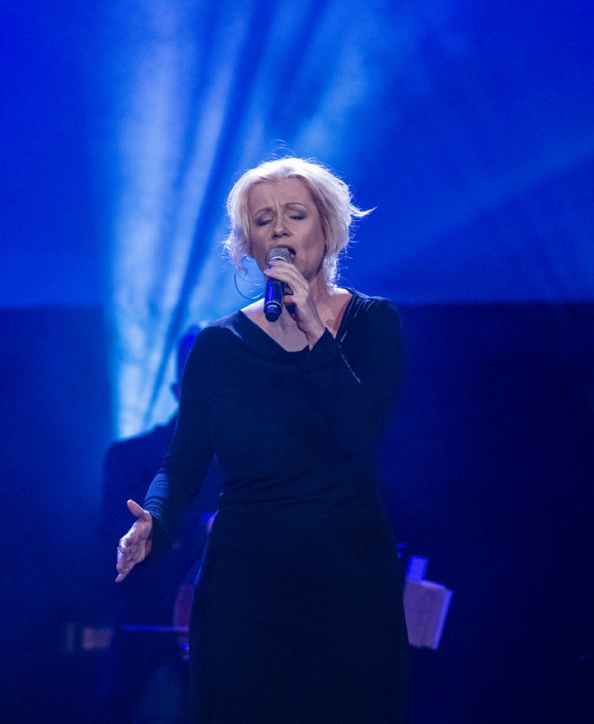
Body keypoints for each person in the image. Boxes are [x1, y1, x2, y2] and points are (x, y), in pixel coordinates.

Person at [115, 156, 409, 724]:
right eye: (262, 219)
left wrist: (314, 329)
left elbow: (360, 433)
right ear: (246, 244)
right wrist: (156, 519)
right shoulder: (218, 346)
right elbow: (184, 461)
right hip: (243, 592)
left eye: (295, 215)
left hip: (347, 586)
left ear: (328, 228)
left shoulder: (373, 324)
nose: (278, 230)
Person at [94, 326, 222, 724]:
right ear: (178, 391)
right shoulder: (132, 456)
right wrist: (201, 526)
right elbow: (117, 534)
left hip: (221, 631)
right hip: (148, 624)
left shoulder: (243, 462)